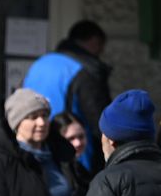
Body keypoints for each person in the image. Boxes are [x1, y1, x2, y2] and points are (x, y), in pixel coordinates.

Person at [22, 20, 112, 171]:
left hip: (34, 154)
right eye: (100, 46)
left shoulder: (39, 64)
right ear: (94, 41)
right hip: (73, 161)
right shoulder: (84, 72)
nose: (101, 52)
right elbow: (102, 123)